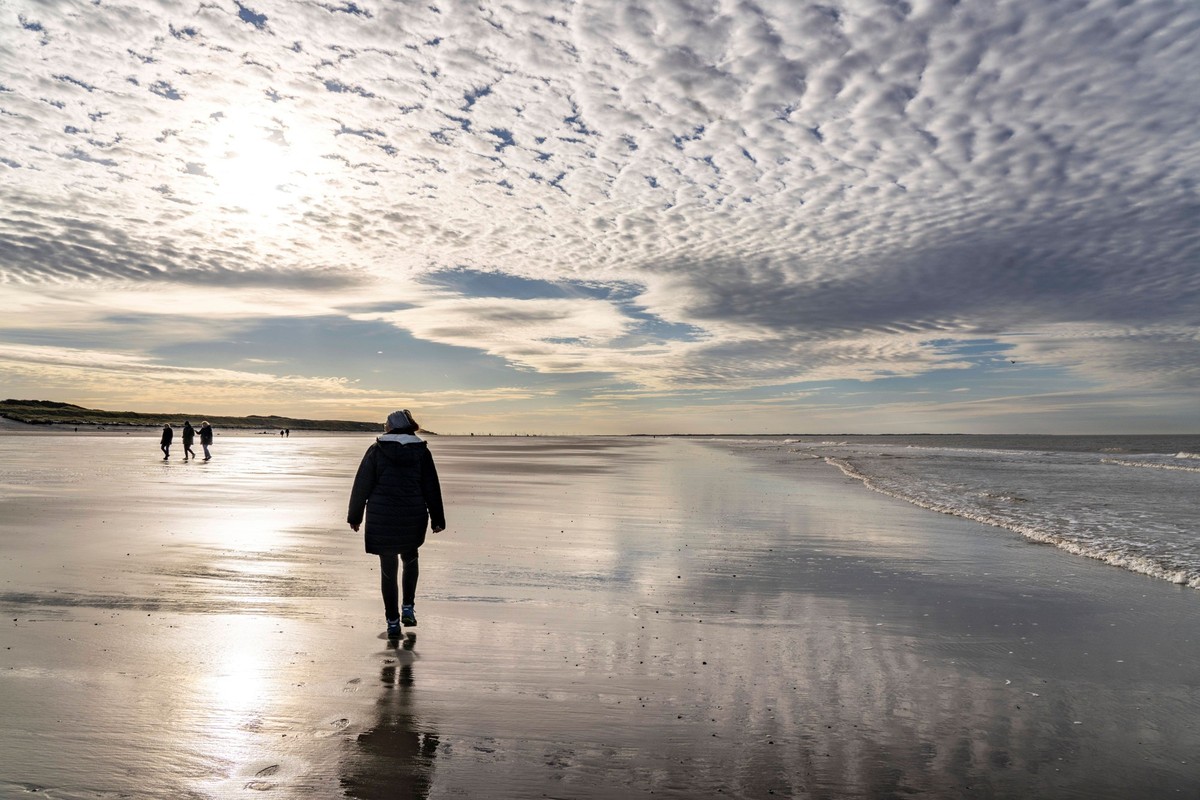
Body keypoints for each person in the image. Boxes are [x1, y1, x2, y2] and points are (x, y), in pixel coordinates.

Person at [348, 409, 445, 638]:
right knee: (410, 559)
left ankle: (392, 622)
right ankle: (408, 607)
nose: (385, 427)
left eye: (386, 423)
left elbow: (362, 484)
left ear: (392, 426)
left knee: (388, 569)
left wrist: (355, 516)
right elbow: (431, 486)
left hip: (383, 519)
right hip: (413, 515)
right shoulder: (421, 451)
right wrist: (437, 519)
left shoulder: (377, 450)